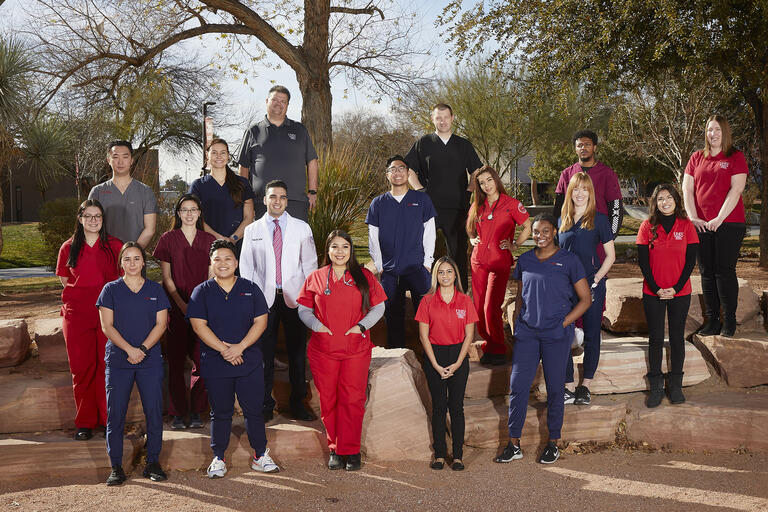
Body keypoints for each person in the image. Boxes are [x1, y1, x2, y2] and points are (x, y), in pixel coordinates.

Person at [494, 214, 590, 465]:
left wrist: (564, 323)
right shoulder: (525, 260)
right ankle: (513, 444)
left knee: (556, 390)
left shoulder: (569, 261)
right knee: (517, 387)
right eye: (536, 232)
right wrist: (517, 322)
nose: (540, 236)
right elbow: (520, 295)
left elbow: (585, 299)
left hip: (556, 335)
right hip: (527, 334)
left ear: (554, 232)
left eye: (545, 231)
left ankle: (552, 443)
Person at [187, 239, 280, 478]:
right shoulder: (202, 291)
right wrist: (224, 350)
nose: (223, 263)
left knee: (254, 410)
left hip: (248, 361)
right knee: (221, 412)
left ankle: (260, 455)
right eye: (217, 259)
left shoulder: (250, 288)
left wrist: (240, 347)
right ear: (211, 263)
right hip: (216, 363)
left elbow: (261, 321)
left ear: (236, 262)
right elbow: (199, 326)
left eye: (228, 258)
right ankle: (218, 457)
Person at [296, 230, 387, 471]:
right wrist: (317, 326)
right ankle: (335, 449)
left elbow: (379, 307)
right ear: (327, 250)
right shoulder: (316, 277)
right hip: (323, 350)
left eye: (344, 246)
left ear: (351, 250)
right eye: (334, 246)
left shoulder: (364, 276)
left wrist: (361, 326)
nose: (339, 251)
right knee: (329, 401)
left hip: (355, 349)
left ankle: (351, 450)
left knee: (353, 399)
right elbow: (303, 309)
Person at [240, 180, 318, 422]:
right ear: (264, 200)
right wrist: (251, 301)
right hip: (264, 301)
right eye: (273, 196)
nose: (277, 201)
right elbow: (246, 268)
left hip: (295, 298)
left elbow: (310, 266)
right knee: (264, 355)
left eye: (282, 197)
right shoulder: (253, 230)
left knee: (297, 355)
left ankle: (298, 404)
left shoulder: (302, 228)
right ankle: (265, 405)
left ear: (287, 200)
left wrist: (308, 299)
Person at [97, 242, 170, 486]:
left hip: (149, 361)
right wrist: (129, 349)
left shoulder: (155, 290)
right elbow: (107, 326)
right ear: (121, 263)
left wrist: (142, 350)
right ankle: (116, 466)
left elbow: (161, 325)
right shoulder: (110, 290)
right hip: (119, 360)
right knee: (115, 414)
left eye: (136, 258)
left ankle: (153, 462)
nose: (132, 263)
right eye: (126, 259)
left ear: (143, 262)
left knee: (153, 411)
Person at [56, 199, 123, 441]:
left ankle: (108, 421)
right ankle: (84, 422)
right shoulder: (68, 247)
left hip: (107, 313)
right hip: (77, 314)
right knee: (81, 368)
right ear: (80, 218)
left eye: (98, 216)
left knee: (106, 367)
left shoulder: (114, 246)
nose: (93, 220)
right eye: (89, 216)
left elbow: (123, 281)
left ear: (103, 219)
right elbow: (65, 281)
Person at [153, 194, 216, 430]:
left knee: (202, 361)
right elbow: (167, 279)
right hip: (177, 310)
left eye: (193, 210)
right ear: (178, 214)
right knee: (177, 363)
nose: (189, 214)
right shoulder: (168, 239)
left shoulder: (209, 240)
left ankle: (197, 410)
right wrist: (182, 305)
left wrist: (198, 307)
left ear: (199, 213)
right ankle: (178, 412)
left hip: (203, 310)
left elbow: (212, 278)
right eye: (184, 210)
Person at [682, 115, 748, 337]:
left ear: (725, 132)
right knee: (706, 273)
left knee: (724, 272)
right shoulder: (696, 157)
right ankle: (712, 321)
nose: (713, 134)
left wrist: (718, 219)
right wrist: (693, 217)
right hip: (701, 224)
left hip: (729, 223)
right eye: (710, 129)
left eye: (718, 129)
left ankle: (729, 321)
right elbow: (687, 190)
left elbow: (736, 190)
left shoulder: (735, 157)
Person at [405, 103, 483, 289]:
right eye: (438, 118)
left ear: (452, 118)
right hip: (429, 208)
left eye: (446, 117)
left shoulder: (463, 145)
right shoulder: (423, 143)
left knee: (457, 255)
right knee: (425, 254)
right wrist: (419, 191)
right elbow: (408, 169)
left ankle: (460, 295)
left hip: (457, 208)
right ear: (432, 119)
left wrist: (469, 191)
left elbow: (476, 171)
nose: (442, 121)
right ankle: (426, 295)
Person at [637, 184, 699, 407]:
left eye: (669, 197)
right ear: (655, 202)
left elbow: (690, 261)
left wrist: (675, 287)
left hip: (680, 292)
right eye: (660, 198)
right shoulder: (647, 227)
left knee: (676, 339)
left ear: (676, 200)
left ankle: (675, 386)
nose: (665, 201)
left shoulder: (687, 226)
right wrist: (656, 289)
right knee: (655, 338)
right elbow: (643, 262)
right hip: (652, 292)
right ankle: (655, 387)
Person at [366, 155, 436, 349]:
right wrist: (380, 265)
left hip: (417, 268)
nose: (397, 172)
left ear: (408, 173)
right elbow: (373, 237)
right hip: (389, 271)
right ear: (387, 175)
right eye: (393, 169)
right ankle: (397, 363)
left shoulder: (421, 199)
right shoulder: (378, 203)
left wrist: (427, 263)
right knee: (393, 319)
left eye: (401, 168)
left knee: (427, 317)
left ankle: (432, 359)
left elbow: (430, 232)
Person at [414, 256, 478, 472]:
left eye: (449, 271)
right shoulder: (427, 301)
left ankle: (458, 455)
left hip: (458, 355)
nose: (445, 276)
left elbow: (469, 335)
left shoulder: (465, 301)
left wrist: (459, 362)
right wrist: (435, 365)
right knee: (439, 408)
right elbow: (424, 336)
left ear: (455, 275)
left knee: (456, 407)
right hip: (435, 356)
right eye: (441, 272)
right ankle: (440, 454)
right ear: (436, 276)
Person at [558, 172, 616, 405]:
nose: (580, 193)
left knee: (592, 336)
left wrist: (596, 280)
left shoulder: (599, 219)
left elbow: (611, 256)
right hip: (564, 289)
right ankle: (569, 386)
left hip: (590, 286)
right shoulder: (562, 220)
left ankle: (585, 386)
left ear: (590, 193)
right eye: (576, 189)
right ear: (570, 192)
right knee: (563, 335)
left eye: (585, 189)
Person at [466, 166, 531, 365]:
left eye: (489, 180)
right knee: (478, 309)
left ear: (496, 179)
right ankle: (489, 342)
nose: (486, 185)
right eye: (482, 182)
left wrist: (515, 245)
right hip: (478, 263)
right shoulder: (478, 204)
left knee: (490, 308)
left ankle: (498, 349)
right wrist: (472, 240)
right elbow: (469, 228)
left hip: (499, 262)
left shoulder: (512, 204)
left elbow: (528, 226)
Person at [237, 85, 319, 222]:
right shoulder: (253, 131)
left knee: (295, 243)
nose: (278, 104)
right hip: (262, 202)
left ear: (287, 105)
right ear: (267, 101)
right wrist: (245, 197)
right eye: (275, 99)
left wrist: (312, 192)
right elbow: (244, 166)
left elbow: (312, 161)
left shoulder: (300, 130)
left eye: (283, 101)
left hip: (295, 201)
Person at [553, 130, 623, 240]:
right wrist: (557, 235)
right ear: (575, 149)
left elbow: (616, 207)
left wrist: (610, 236)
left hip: (597, 237)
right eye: (579, 145)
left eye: (587, 144)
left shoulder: (607, 174)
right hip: (570, 235)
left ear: (594, 147)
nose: (583, 148)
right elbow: (558, 207)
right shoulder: (566, 174)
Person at [189, 138, 255, 253]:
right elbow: (195, 218)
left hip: (238, 245)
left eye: (223, 152)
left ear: (228, 156)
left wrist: (233, 239)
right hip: (208, 246)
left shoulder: (242, 183)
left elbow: (248, 217)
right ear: (207, 155)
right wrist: (218, 238)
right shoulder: (198, 186)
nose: (219, 156)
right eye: (214, 152)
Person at [88, 140, 157, 247]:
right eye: (115, 157)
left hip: (134, 259)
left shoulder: (145, 192)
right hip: (104, 255)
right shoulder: (97, 192)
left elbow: (150, 229)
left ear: (132, 160)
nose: (120, 162)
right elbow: (90, 227)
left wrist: (132, 253)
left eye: (125, 157)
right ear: (108, 160)